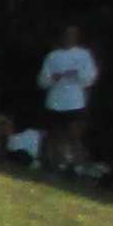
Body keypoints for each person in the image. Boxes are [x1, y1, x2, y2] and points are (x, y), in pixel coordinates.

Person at [39, 24, 99, 173]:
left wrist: (77, 74)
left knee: (74, 136)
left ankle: (78, 168)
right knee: (55, 135)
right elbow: (42, 81)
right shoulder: (53, 56)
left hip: (74, 102)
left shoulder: (84, 55)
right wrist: (53, 77)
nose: (69, 37)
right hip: (55, 101)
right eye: (67, 34)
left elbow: (91, 77)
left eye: (72, 34)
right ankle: (54, 164)